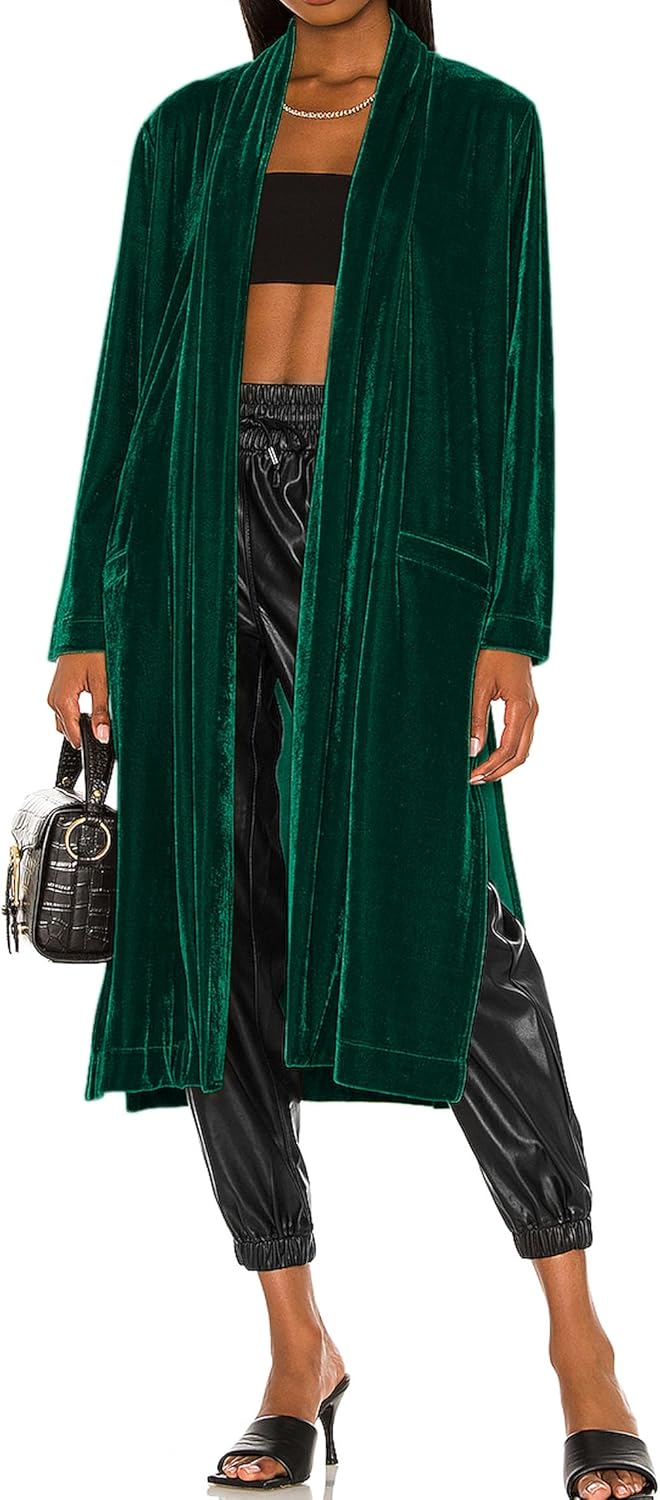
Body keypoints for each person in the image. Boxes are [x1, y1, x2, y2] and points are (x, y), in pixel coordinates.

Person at [45, 3, 655, 1496]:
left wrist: (513, 618)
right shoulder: (188, 130)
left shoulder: (484, 126)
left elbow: (518, 379)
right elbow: (128, 376)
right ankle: (293, 1346)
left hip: (390, 555)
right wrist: (85, 616)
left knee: (465, 933)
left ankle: (580, 1344)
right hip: (190, 547)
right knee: (216, 941)